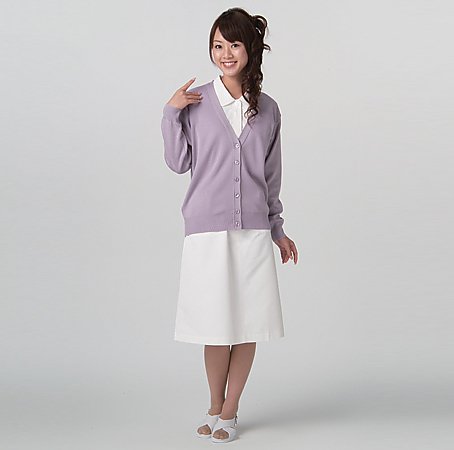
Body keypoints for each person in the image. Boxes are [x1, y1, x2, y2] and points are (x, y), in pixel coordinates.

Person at [161, 7, 299, 443]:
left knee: (248, 322)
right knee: (214, 324)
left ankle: (231, 409)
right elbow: (178, 162)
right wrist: (170, 114)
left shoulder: (269, 110)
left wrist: (278, 229)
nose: (225, 53)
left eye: (234, 44)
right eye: (218, 45)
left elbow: (271, 176)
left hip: (253, 230)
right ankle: (213, 405)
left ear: (250, 49)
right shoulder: (196, 103)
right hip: (206, 230)